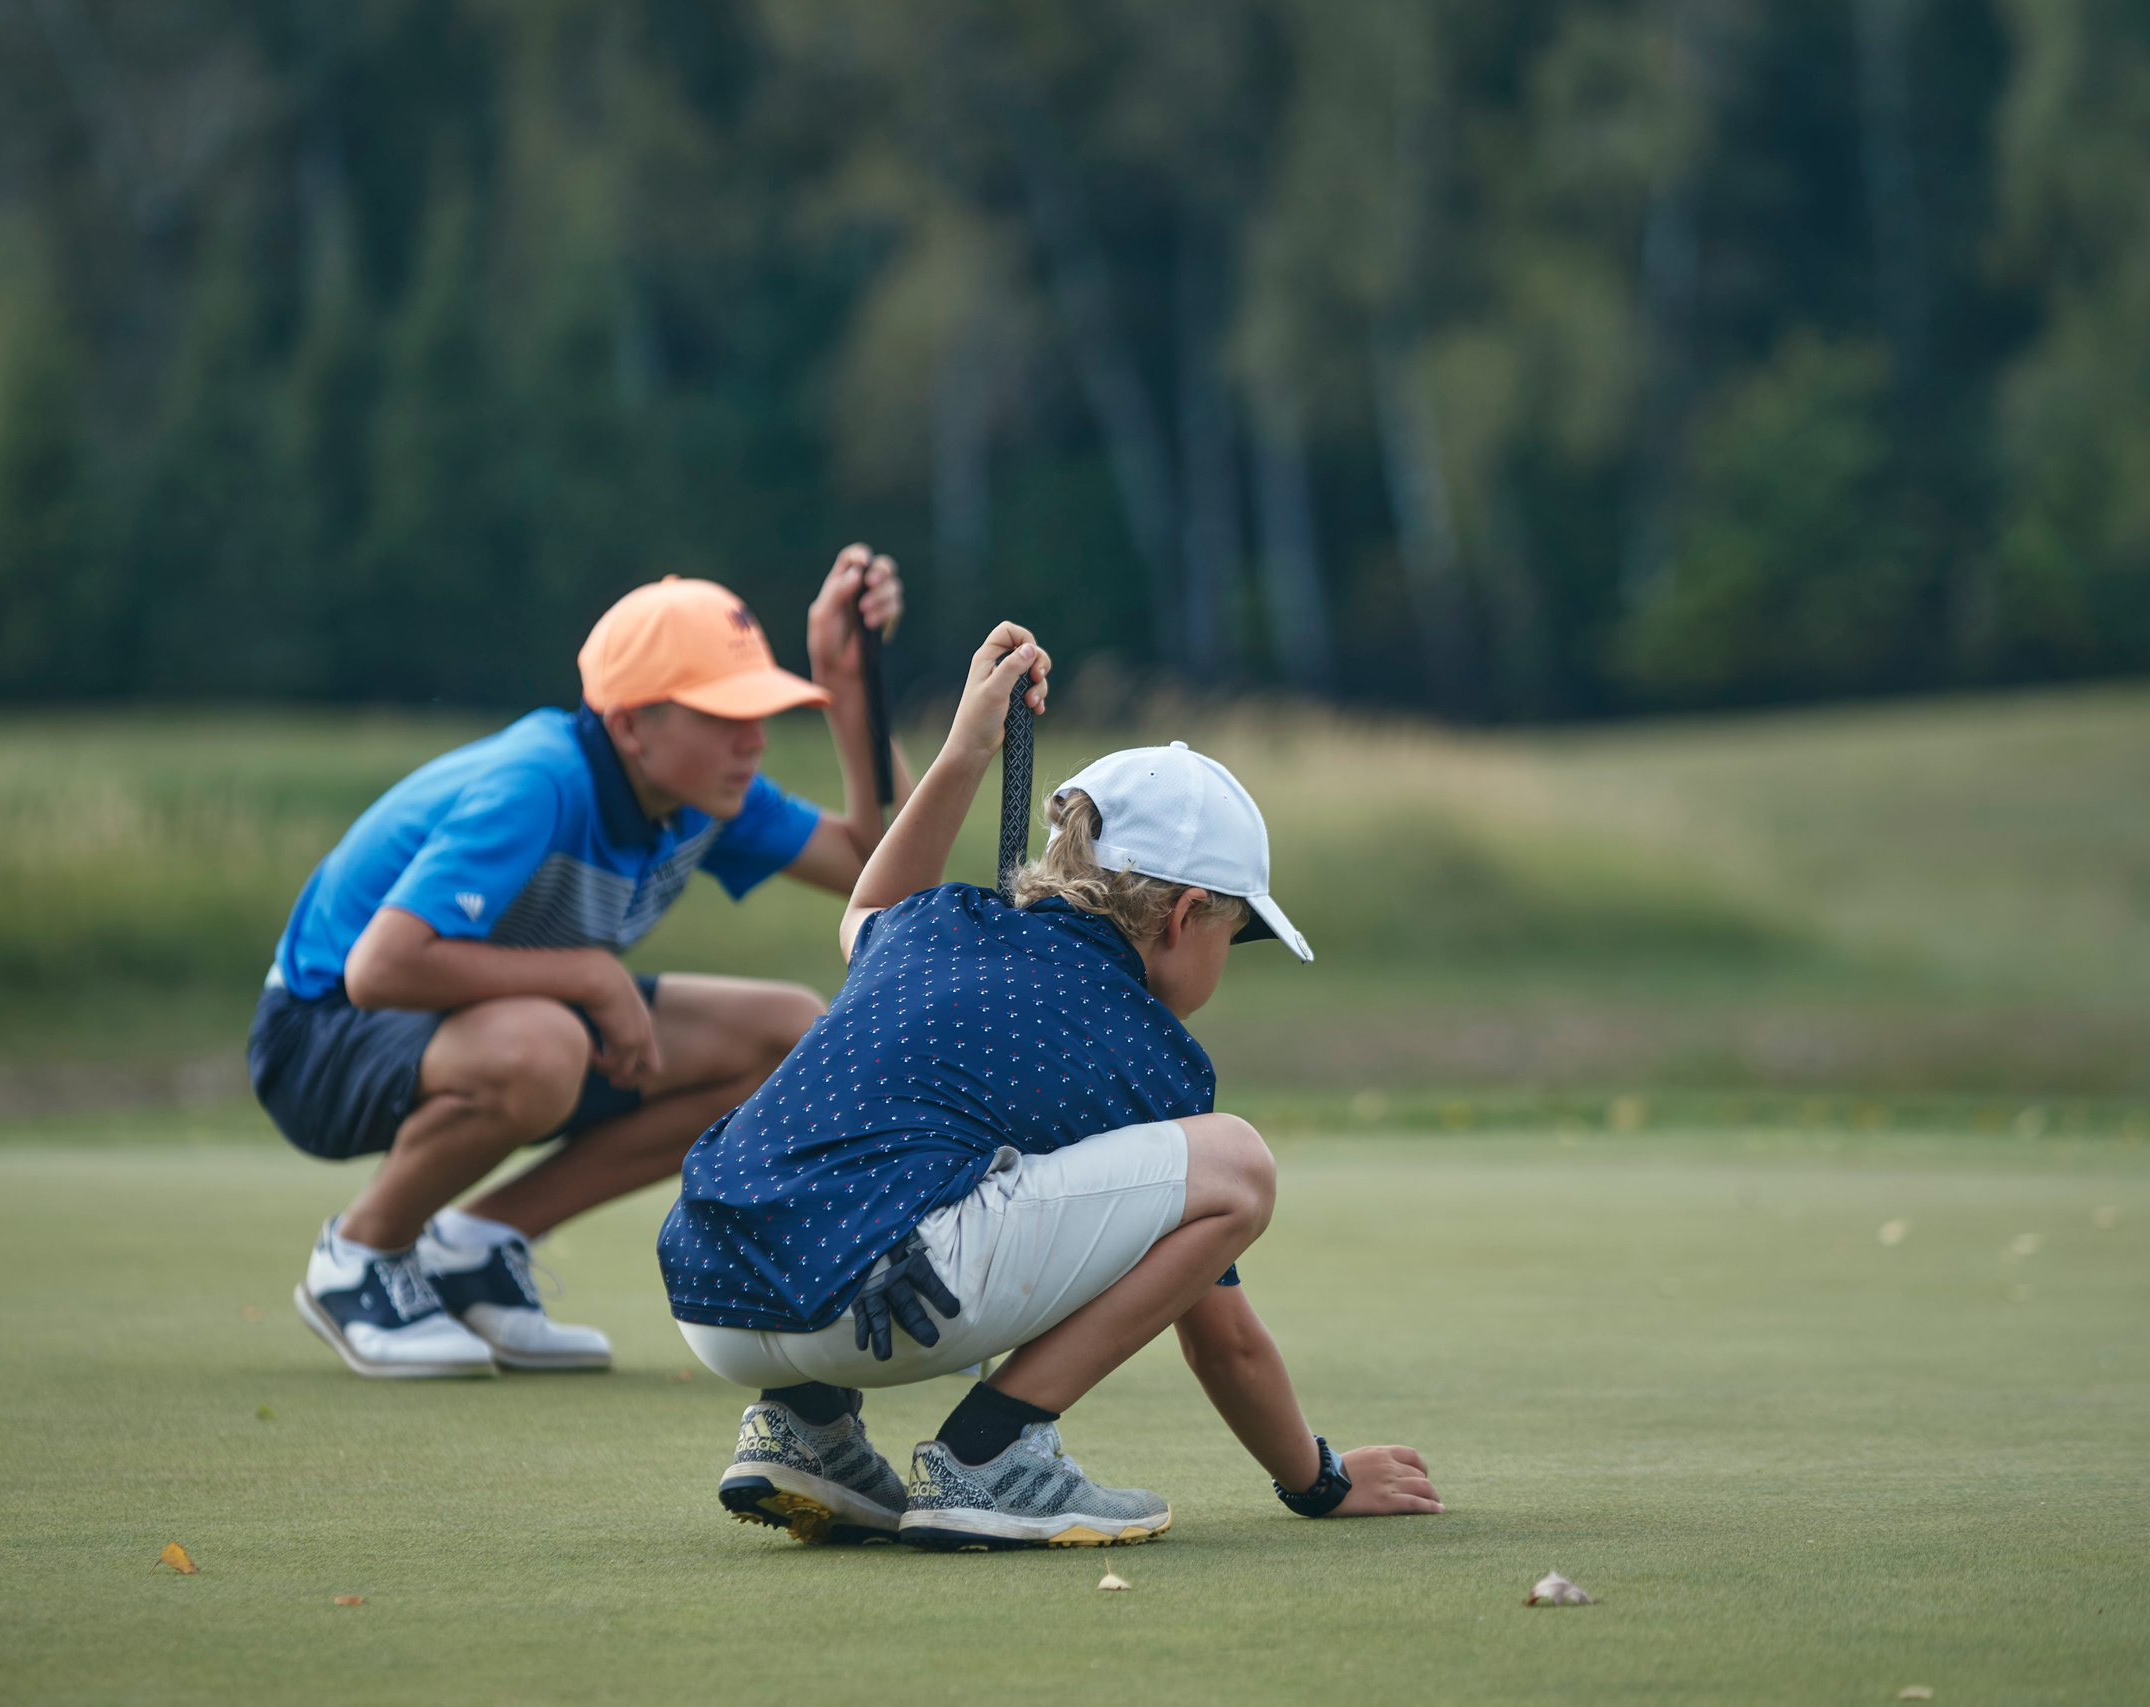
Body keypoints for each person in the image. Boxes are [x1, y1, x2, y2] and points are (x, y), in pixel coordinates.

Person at [656, 623, 1443, 1549]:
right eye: (1236, 932)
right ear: (1187, 915)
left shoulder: (934, 922)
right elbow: (1218, 1337)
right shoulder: (1151, 1050)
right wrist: (1318, 1479)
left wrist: (961, 754)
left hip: (712, 1297)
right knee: (1238, 1165)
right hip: (873, 1305)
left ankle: (804, 1429)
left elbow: (865, 905)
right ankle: (992, 1455)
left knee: (897, 1149)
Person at [249, 550, 909, 1379]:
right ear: (631, 723)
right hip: (320, 1033)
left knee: (786, 1034)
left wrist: (852, 695)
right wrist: (591, 979)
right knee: (544, 1045)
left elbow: (875, 867)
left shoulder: (699, 794)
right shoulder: (541, 781)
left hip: (490, 1016)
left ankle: (477, 1247)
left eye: (762, 711)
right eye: (723, 715)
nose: (755, 740)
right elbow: (378, 969)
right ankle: (359, 1257)